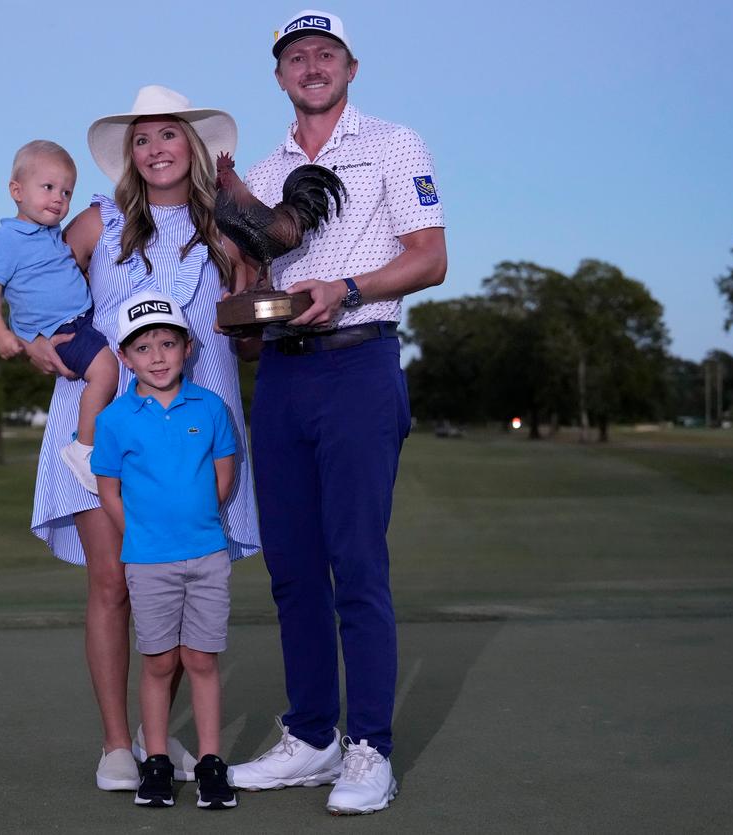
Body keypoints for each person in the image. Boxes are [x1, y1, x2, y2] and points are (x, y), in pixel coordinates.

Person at [226, 10, 447, 816]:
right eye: (296, 56)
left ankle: (372, 748)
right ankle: (312, 736)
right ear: (279, 75)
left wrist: (347, 288)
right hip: (283, 374)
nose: (311, 65)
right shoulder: (264, 164)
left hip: (360, 360)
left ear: (350, 67)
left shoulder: (395, 142)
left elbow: (431, 257)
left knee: (357, 562)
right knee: (291, 568)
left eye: (325, 53)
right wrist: (243, 313)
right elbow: (255, 279)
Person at [25, 86, 261, 793]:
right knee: (113, 581)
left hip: (195, 426)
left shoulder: (224, 227)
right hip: (100, 418)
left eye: (169, 135)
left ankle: (159, 738)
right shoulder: (98, 222)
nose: (157, 148)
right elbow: (36, 284)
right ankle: (116, 743)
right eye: (142, 138)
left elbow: (248, 319)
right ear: (129, 155)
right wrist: (32, 338)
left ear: (191, 146)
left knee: (178, 584)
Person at [91, 289, 238, 810]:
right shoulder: (115, 419)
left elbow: (223, 475)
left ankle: (210, 763)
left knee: (200, 658)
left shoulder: (211, 408)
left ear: (187, 348)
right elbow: (108, 486)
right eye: (143, 347)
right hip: (148, 560)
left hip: (206, 554)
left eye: (167, 343)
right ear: (126, 357)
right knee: (158, 662)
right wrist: (145, 529)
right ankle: (154, 762)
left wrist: (190, 519)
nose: (157, 356)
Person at [0, 140, 117, 492]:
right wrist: (1, 334)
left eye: (67, 192)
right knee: (106, 373)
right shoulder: (6, 239)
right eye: (49, 188)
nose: (59, 198)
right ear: (16, 191)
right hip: (62, 329)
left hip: (81, 319)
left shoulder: (52, 234)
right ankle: (83, 448)